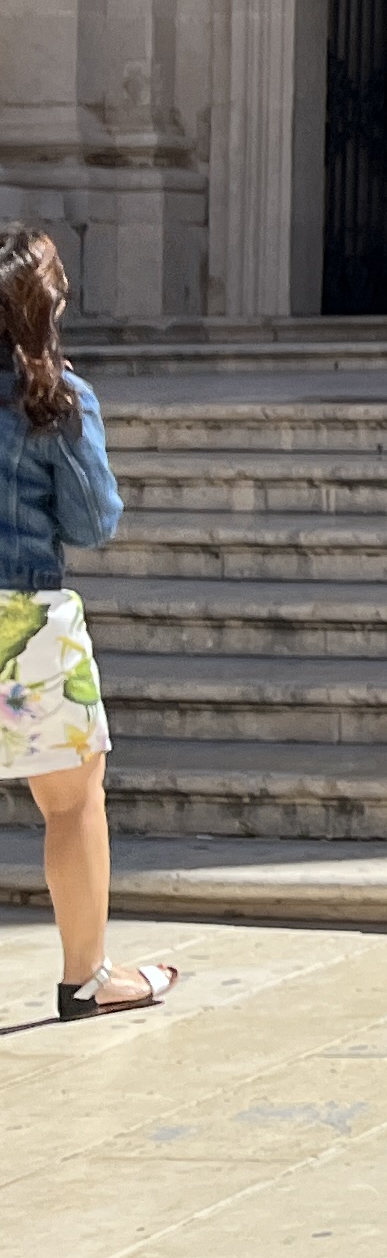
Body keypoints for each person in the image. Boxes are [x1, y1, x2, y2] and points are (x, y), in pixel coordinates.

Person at [2, 225, 178, 1022]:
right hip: (25, 617)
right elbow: (93, 522)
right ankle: (86, 978)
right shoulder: (55, 399)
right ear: (50, 305)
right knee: (71, 803)